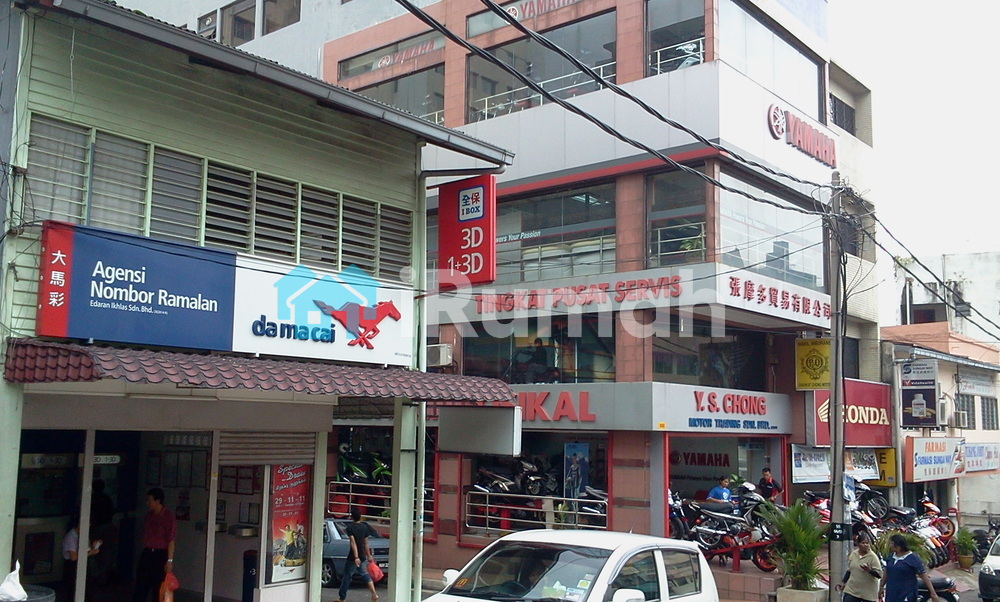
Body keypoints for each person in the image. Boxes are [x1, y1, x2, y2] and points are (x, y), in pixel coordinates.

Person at [132, 488, 176, 602]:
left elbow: (171, 540)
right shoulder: (148, 516)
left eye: (149, 500)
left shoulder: (168, 516)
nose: (147, 503)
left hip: (160, 554)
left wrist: (169, 560)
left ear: (158, 501)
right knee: (141, 586)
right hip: (147, 552)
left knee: (158, 588)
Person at [879, 533, 939, 602]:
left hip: (906, 593)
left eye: (891, 543)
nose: (890, 546)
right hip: (892, 593)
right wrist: (881, 587)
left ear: (898, 546)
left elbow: (923, 575)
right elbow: (887, 572)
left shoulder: (912, 558)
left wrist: (933, 594)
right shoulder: (891, 557)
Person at [336, 508, 379, 602]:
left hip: (353, 557)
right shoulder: (364, 527)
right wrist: (369, 555)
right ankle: (374, 594)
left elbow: (353, 543)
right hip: (363, 556)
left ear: (352, 517)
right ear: (360, 516)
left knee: (347, 576)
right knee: (365, 574)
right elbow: (366, 543)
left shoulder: (350, 528)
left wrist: (356, 557)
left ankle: (342, 598)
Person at [62, 516, 101, 601]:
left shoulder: (83, 535)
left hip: (84, 564)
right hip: (72, 565)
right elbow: (73, 557)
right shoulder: (70, 537)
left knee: (87, 589)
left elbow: (86, 549)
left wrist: (93, 547)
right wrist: (90, 553)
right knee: (74, 590)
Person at [834, 533, 882, 602]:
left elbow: (879, 575)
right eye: (863, 543)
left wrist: (869, 570)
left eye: (867, 543)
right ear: (858, 543)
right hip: (852, 590)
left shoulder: (872, 557)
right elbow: (849, 570)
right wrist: (843, 582)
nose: (865, 545)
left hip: (867, 593)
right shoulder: (853, 554)